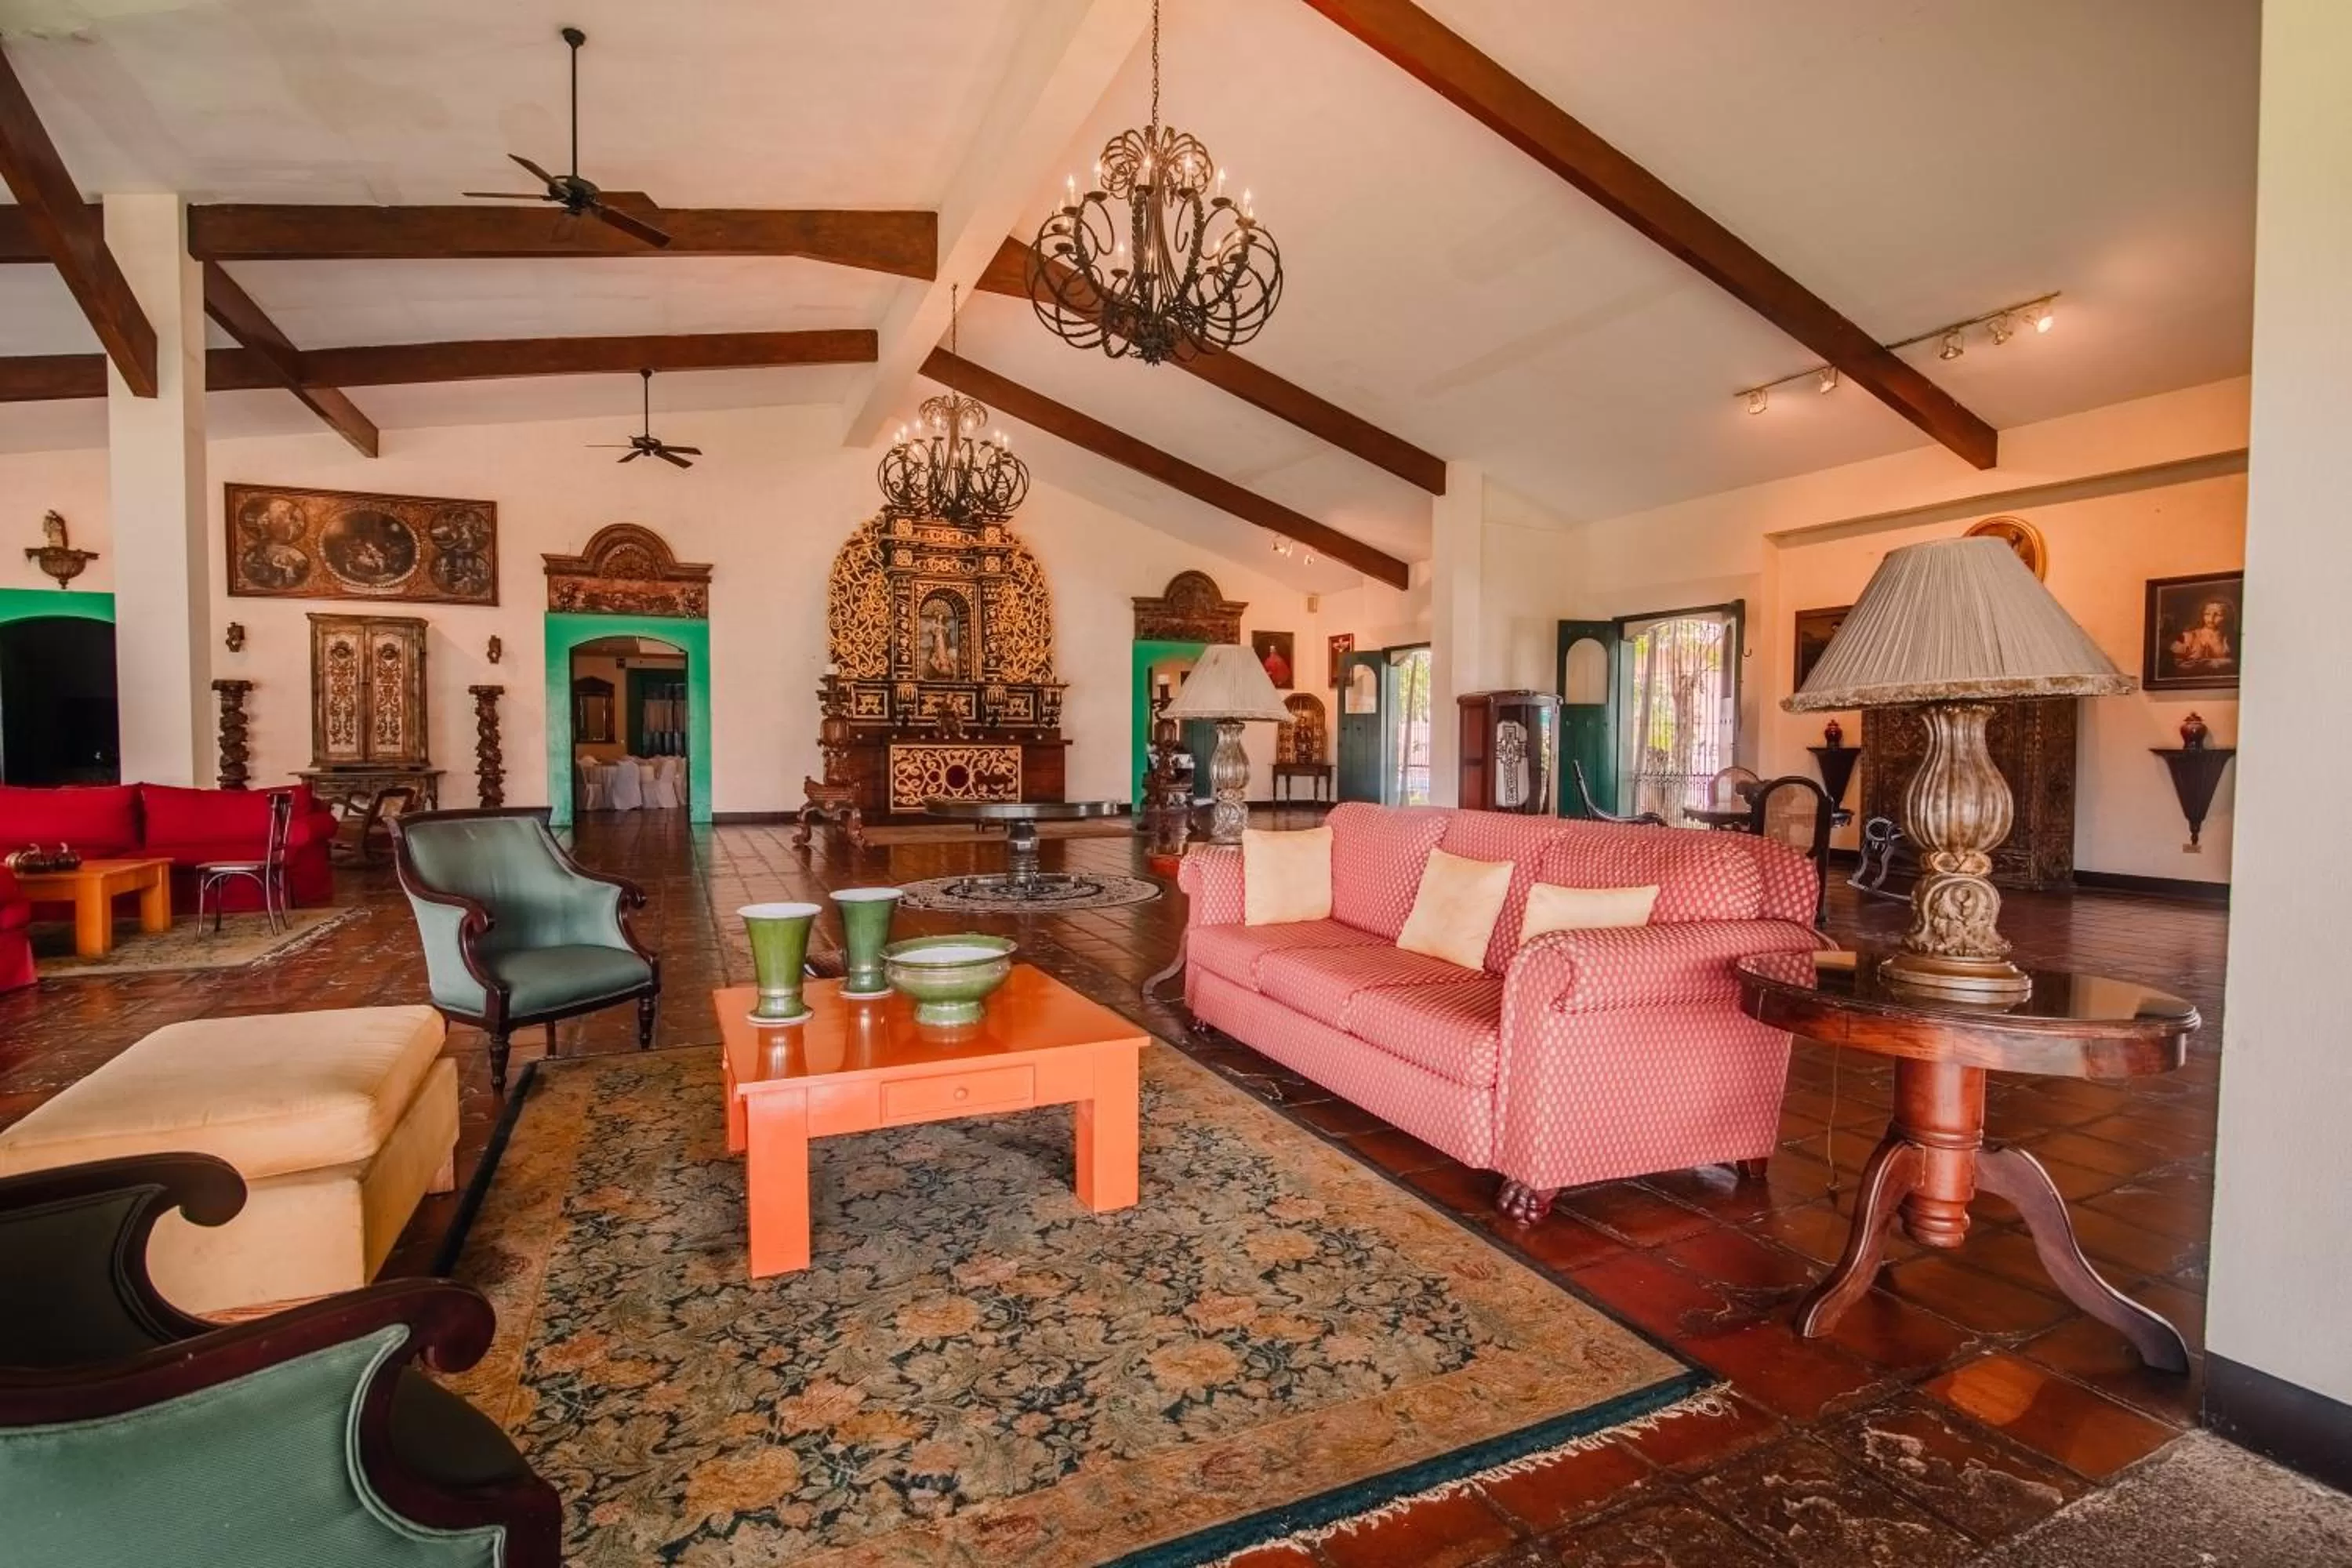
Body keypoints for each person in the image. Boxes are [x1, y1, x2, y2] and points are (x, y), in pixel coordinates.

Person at [2168, 599, 2234, 673]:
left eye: (2218, 615)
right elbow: (2175, 664)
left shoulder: (2231, 639)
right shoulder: (2188, 636)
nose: (2211, 618)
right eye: (2207, 614)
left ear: (2227, 617)